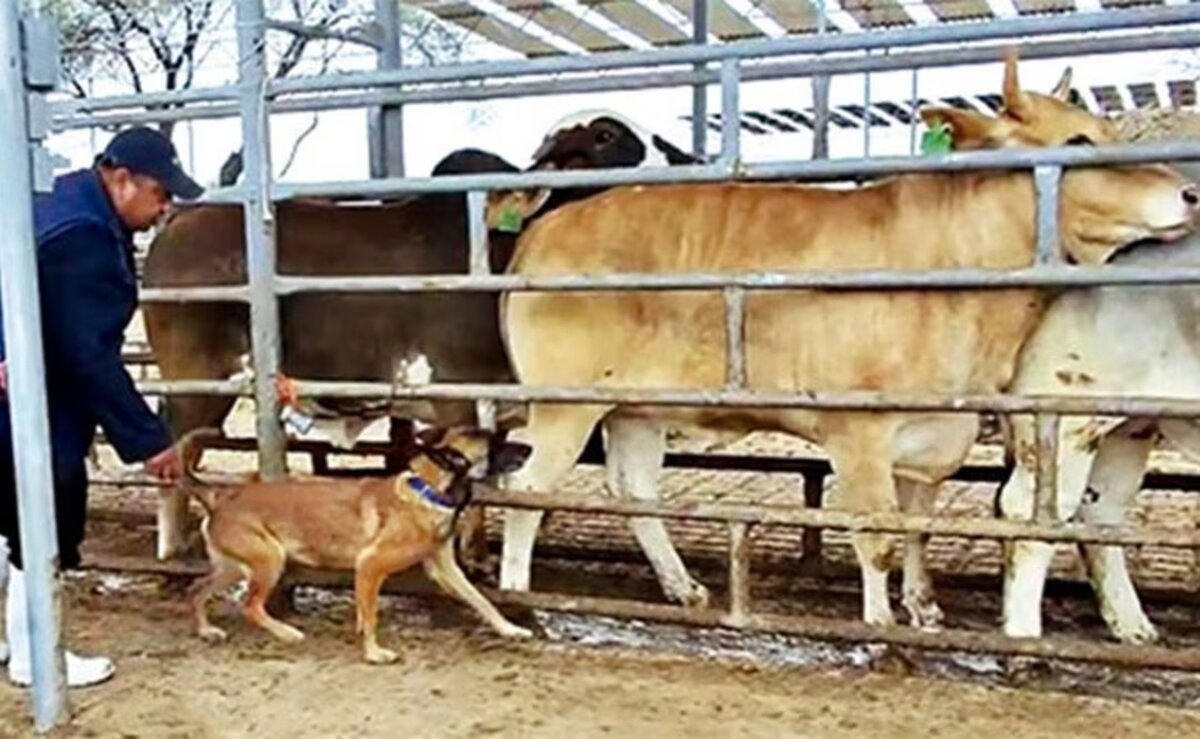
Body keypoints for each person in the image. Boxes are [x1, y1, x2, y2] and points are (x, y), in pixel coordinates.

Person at [0, 126, 204, 688]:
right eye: (160, 194)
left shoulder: (51, 204)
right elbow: (86, 352)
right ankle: (35, 655)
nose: (165, 208)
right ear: (121, 180)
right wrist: (148, 439)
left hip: (17, 381)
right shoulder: (83, 236)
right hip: (38, 396)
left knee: (4, 513)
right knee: (41, 518)